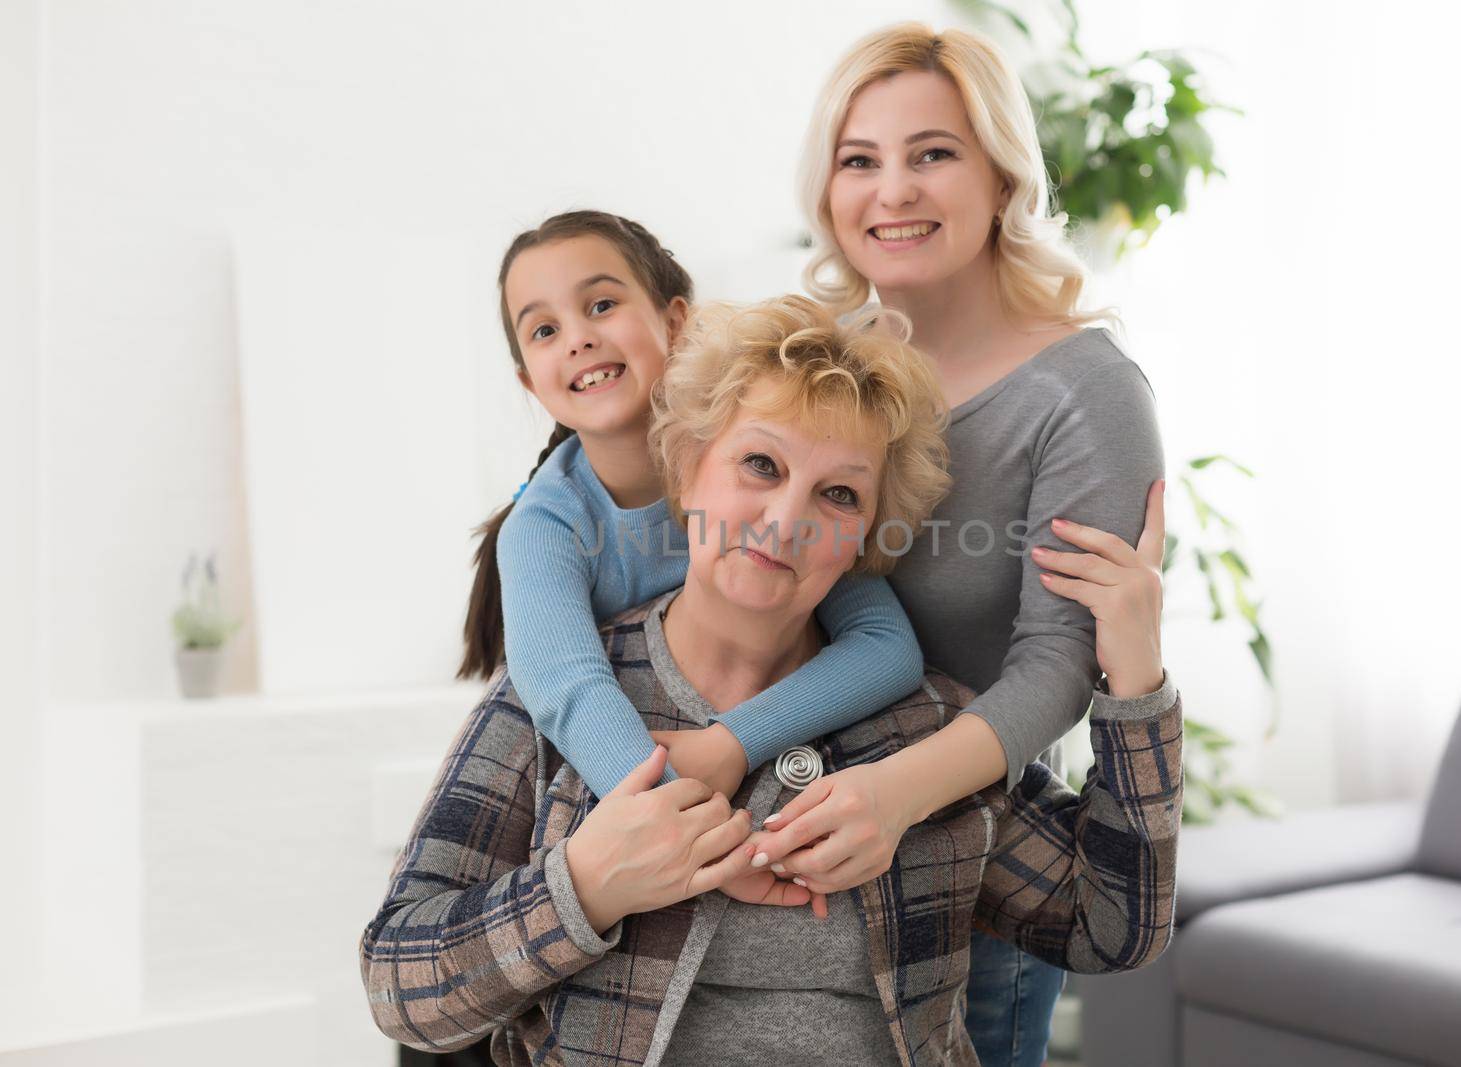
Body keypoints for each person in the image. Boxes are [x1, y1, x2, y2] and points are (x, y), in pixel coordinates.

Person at [359, 295, 1182, 1066]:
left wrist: (1136, 678)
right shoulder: (562, 700)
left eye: (836, 493)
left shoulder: (919, 726)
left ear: (865, 536)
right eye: (760, 464)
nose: (786, 521)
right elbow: (400, 986)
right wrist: (585, 886)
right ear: (687, 471)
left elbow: (1111, 926)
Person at [715, 24, 1172, 1065]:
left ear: (1001, 174)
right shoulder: (821, 359)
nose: (892, 192)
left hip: (966, 874)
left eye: (932, 153)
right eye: (858, 160)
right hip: (786, 854)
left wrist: (893, 793)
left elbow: (1058, 663)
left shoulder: (1085, 391)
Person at [458, 210, 926, 824]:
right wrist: (685, 827)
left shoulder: (783, 467)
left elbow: (886, 646)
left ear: (676, 322)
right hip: (629, 792)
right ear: (529, 381)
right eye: (544, 330)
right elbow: (569, 694)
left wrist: (734, 743)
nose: (576, 338)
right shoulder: (543, 527)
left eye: (600, 305)